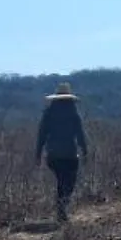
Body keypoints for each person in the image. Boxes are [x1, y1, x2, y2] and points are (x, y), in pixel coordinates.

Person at [34, 82, 89, 223]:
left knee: (61, 181)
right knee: (68, 182)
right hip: (70, 154)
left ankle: (61, 209)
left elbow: (42, 135)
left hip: (53, 155)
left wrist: (38, 154)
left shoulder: (49, 113)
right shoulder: (73, 113)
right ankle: (62, 208)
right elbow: (80, 134)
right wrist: (85, 151)